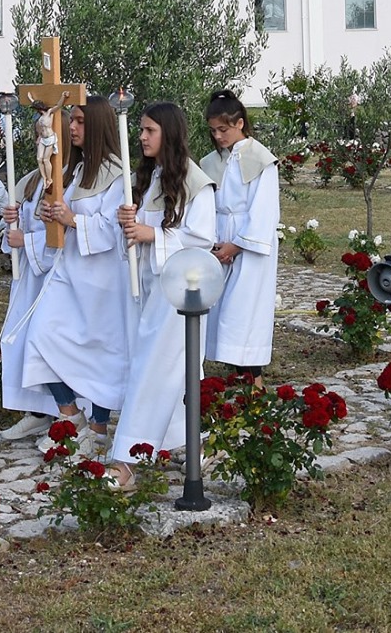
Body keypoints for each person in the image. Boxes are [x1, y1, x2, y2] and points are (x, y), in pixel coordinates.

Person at [109, 103, 219, 485]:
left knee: (152, 372)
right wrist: (129, 223)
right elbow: (135, 231)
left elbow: (202, 239)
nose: (141, 137)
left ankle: (125, 462)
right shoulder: (149, 177)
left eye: (150, 130)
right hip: (149, 291)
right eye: (140, 129)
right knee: (160, 371)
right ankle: (188, 444)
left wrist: (151, 234)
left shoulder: (195, 182)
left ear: (168, 134)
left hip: (179, 297)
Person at [20, 98, 134, 443]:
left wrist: (70, 219)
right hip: (70, 272)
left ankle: (98, 427)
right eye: (73, 121)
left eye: (81, 122)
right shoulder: (78, 169)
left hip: (101, 277)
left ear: (98, 125)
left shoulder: (118, 174)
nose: (71, 127)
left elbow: (115, 228)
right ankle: (71, 414)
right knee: (40, 337)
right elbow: (64, 213)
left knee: (102, 353)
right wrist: (50, 215)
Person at [203, 90, 280, 380]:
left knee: (243, 312)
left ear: (239, 123)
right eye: (213, 131)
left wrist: (235, 246)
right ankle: (237, 373)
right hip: (219, 237)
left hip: (247, 244)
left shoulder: (261, 160)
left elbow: (264, 210)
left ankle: (253, 378)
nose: (218, 136)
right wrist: (211, 241)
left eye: (223, 129)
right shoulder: (211, 161)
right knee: (220, 310)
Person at [0, 127, 63, 441]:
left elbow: (65, 234)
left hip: (54, 274)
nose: (41, 143)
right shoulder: (33, 179)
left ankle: (67, 417)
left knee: (51, 344)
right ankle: (37, 411)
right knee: (23, 340)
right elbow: (23, 224)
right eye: (38, 138)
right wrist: (13, 219)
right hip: (30, 275)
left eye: (47, 138)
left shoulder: (65, 179)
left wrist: (28, 240)